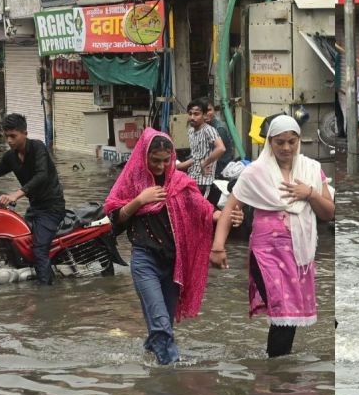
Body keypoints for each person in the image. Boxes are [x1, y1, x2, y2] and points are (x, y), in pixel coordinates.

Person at [104, 128, 241, 365]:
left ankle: (150, 364)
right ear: (143, 156)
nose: (160, 166)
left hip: (173, 264)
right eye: (155, 160)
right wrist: (139, 200)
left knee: (163, 325)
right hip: (144, 260)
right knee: (160, 324)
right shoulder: (132, 180)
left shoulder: (180, 182)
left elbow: (203, 210)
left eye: (166, 161)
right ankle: (173, 373)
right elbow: (114, 217)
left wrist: (227, 216)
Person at [210, 115, 335, 357]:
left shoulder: (311, 170)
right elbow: (228, 210)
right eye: (280, 142)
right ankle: (279, 376)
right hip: (266, 254)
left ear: (299, 141)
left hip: (300, 257)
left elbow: (328, 213)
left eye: (292, 141)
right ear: (270, 142)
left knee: (290, 317)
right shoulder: (256, 172)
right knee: (283, 312)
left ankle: (277, 371)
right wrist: (218, 247)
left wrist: (309, 193)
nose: (286, 148)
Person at [0, 114, 65, 286]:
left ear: (25, 133)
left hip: (52, 208)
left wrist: (15, 195)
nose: (9, 140)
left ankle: (46, 294)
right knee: (13, 244)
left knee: (39, 250)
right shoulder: (11, 157)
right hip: (35, 208)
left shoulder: (38, 147)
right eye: (6, 136)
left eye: (13, 136)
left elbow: (42, 175)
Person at [177, 98, 225, 208]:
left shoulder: (209, 130)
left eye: (196, 114)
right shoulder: (191, 131)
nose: (192, 117)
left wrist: (205, 163)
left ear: (204, 115)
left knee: (201, 210)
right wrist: (179, 166)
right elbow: (195, 157)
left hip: (204, 181)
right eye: (190, 114)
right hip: (192, 179)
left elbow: (221, 148)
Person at [206, 99, 235, 178]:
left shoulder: (219, 128)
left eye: (209, 110)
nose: (207, 113)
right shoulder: (204, 127)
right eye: (204, 111)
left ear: (214, 111)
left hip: (221, 169)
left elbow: (216, 153)